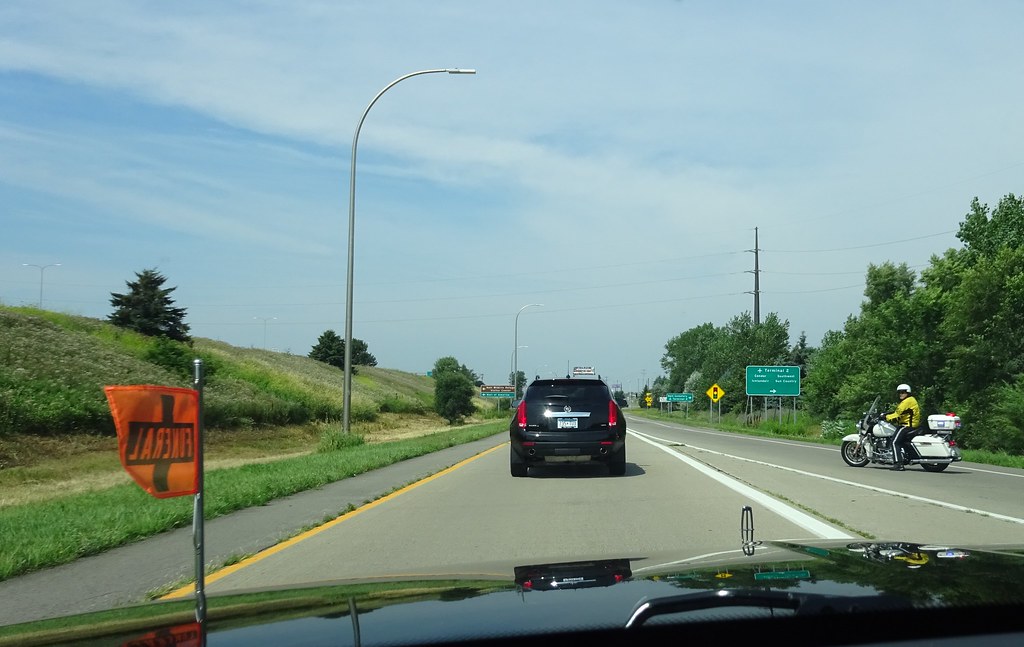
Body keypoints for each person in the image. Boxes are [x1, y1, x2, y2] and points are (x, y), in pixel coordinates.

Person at [883, 383, 921, 471]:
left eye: (903, 392)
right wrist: (888, 414)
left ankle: (898, 464)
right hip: (909, 425)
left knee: (894, 442)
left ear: (908, 393)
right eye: (899, 392)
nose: (901, 394)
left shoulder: (907, 401)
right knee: (901, 442)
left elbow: (897, 414)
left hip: (907, 426)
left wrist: (885, 417)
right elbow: (900, 412)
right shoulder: (909, 400)